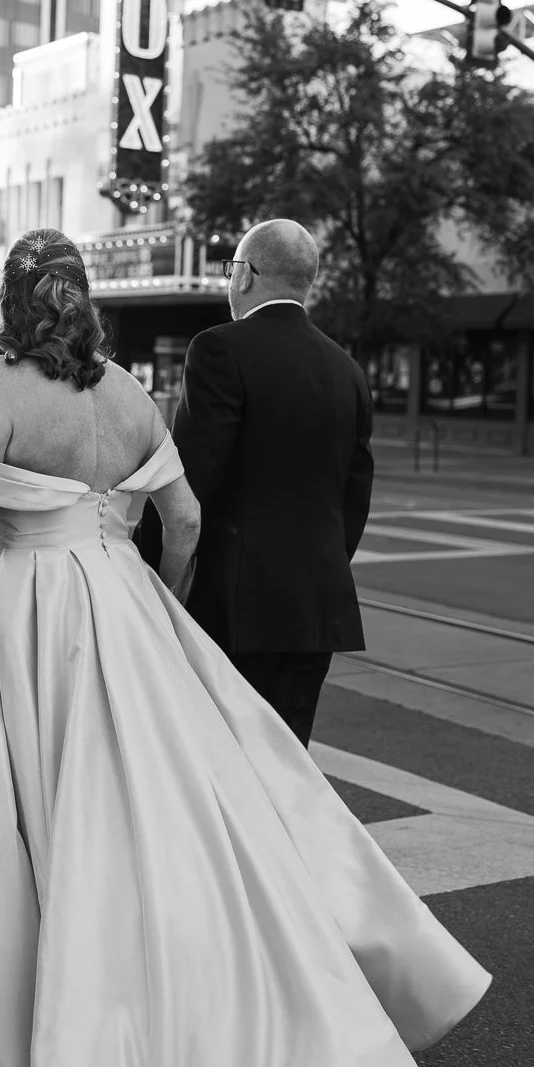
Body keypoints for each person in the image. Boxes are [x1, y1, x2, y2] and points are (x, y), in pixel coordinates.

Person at [0, 228, 490, 1067]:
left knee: (24, 809)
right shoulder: (130, 393)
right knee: (163, 814)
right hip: (123, 606)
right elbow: (177, 518)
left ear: (10, 301)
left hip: (33, 618)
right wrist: (152, 602)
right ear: (84, 300)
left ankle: (14, 999)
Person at [137, 218, 371, 747]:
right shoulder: (347, 370)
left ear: (245, 275)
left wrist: (146, 573)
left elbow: (189, 482)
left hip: (235, 608)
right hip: (314, 609)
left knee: (226, 769)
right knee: (290, 769)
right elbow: (354, 502)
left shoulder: (220, 350)